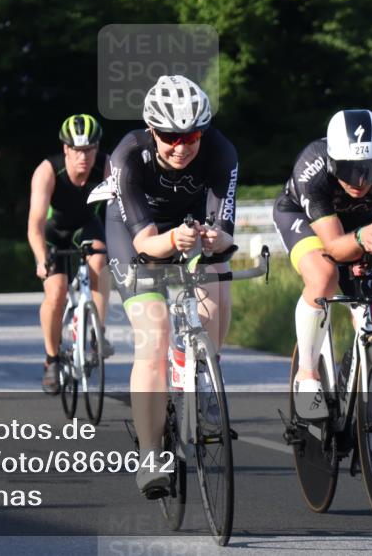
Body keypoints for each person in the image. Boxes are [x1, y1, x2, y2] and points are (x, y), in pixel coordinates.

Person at [105, 74, 238, 496]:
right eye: (169, 136)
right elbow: (145, 243)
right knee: (154, 334)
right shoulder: (128, 155)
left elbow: (225, 230)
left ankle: (198, 368)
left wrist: (217, 238)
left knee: (217, 279)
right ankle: (150, 454)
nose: (181, 147)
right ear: (151, 131)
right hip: (134, 234)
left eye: (192, 136)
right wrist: (173, 240)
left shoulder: (221, 152)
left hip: (189, 227)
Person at [272, 109, 372, 426]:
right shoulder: (312, 165)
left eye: (368, 169)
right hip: (303, 219)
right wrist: (363, 239)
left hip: (362, 225)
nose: (359, 181)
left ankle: (370, 429)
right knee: (324, 276)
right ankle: (307, 377)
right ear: (333, 161)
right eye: (348, 170)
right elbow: (335, 246)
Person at [27, 114, 112, 395]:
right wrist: (41, 258)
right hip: (55, 232)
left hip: (88, 225)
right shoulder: (48, 170)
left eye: (89, 149)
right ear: (66, 149)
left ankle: (97, 334)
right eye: (77, 150)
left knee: (100, 261)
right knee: (57, 291)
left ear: (97, 148)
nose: (83, 157)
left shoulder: (107, 166)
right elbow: (36, 223)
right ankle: (51, 359)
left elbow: (120, 212)